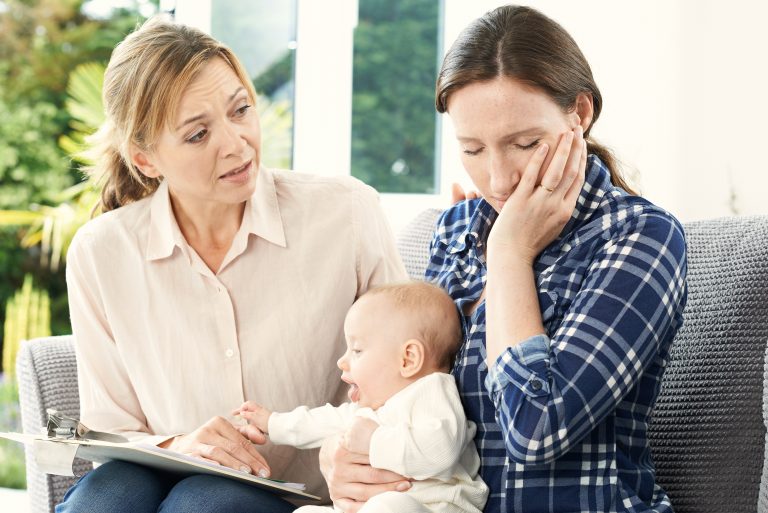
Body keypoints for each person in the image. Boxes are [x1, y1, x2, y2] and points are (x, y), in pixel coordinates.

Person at [321, 5, 688, 513]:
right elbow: (407, 394)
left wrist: (510, 255)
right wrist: (343, 461)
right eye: (472, 149)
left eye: (524, 144)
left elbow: (538, 429)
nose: (497, 180)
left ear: (579, 114)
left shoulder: (639, 236)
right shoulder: (453, 232)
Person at [58, 14, 408, 513]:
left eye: (240, 110)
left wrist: (345, 449)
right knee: (105, 500)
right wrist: (178, 446)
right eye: (198, 135)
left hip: (302, 493)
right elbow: (113, 432)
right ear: (145, 160)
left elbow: (404, 385)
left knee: (204, 502)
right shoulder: (101, 253)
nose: (236, 142)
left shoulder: (346, 214)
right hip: (158, 477)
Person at [234, 282, 489, 513]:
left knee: (389, 506)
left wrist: (374, 440)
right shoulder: (370, 407)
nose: (342, 361)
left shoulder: (431, 392)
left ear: (408, 359)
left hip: (435, 507)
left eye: (357, 350)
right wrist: (273, 423)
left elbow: (441, 451)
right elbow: (321, 421)